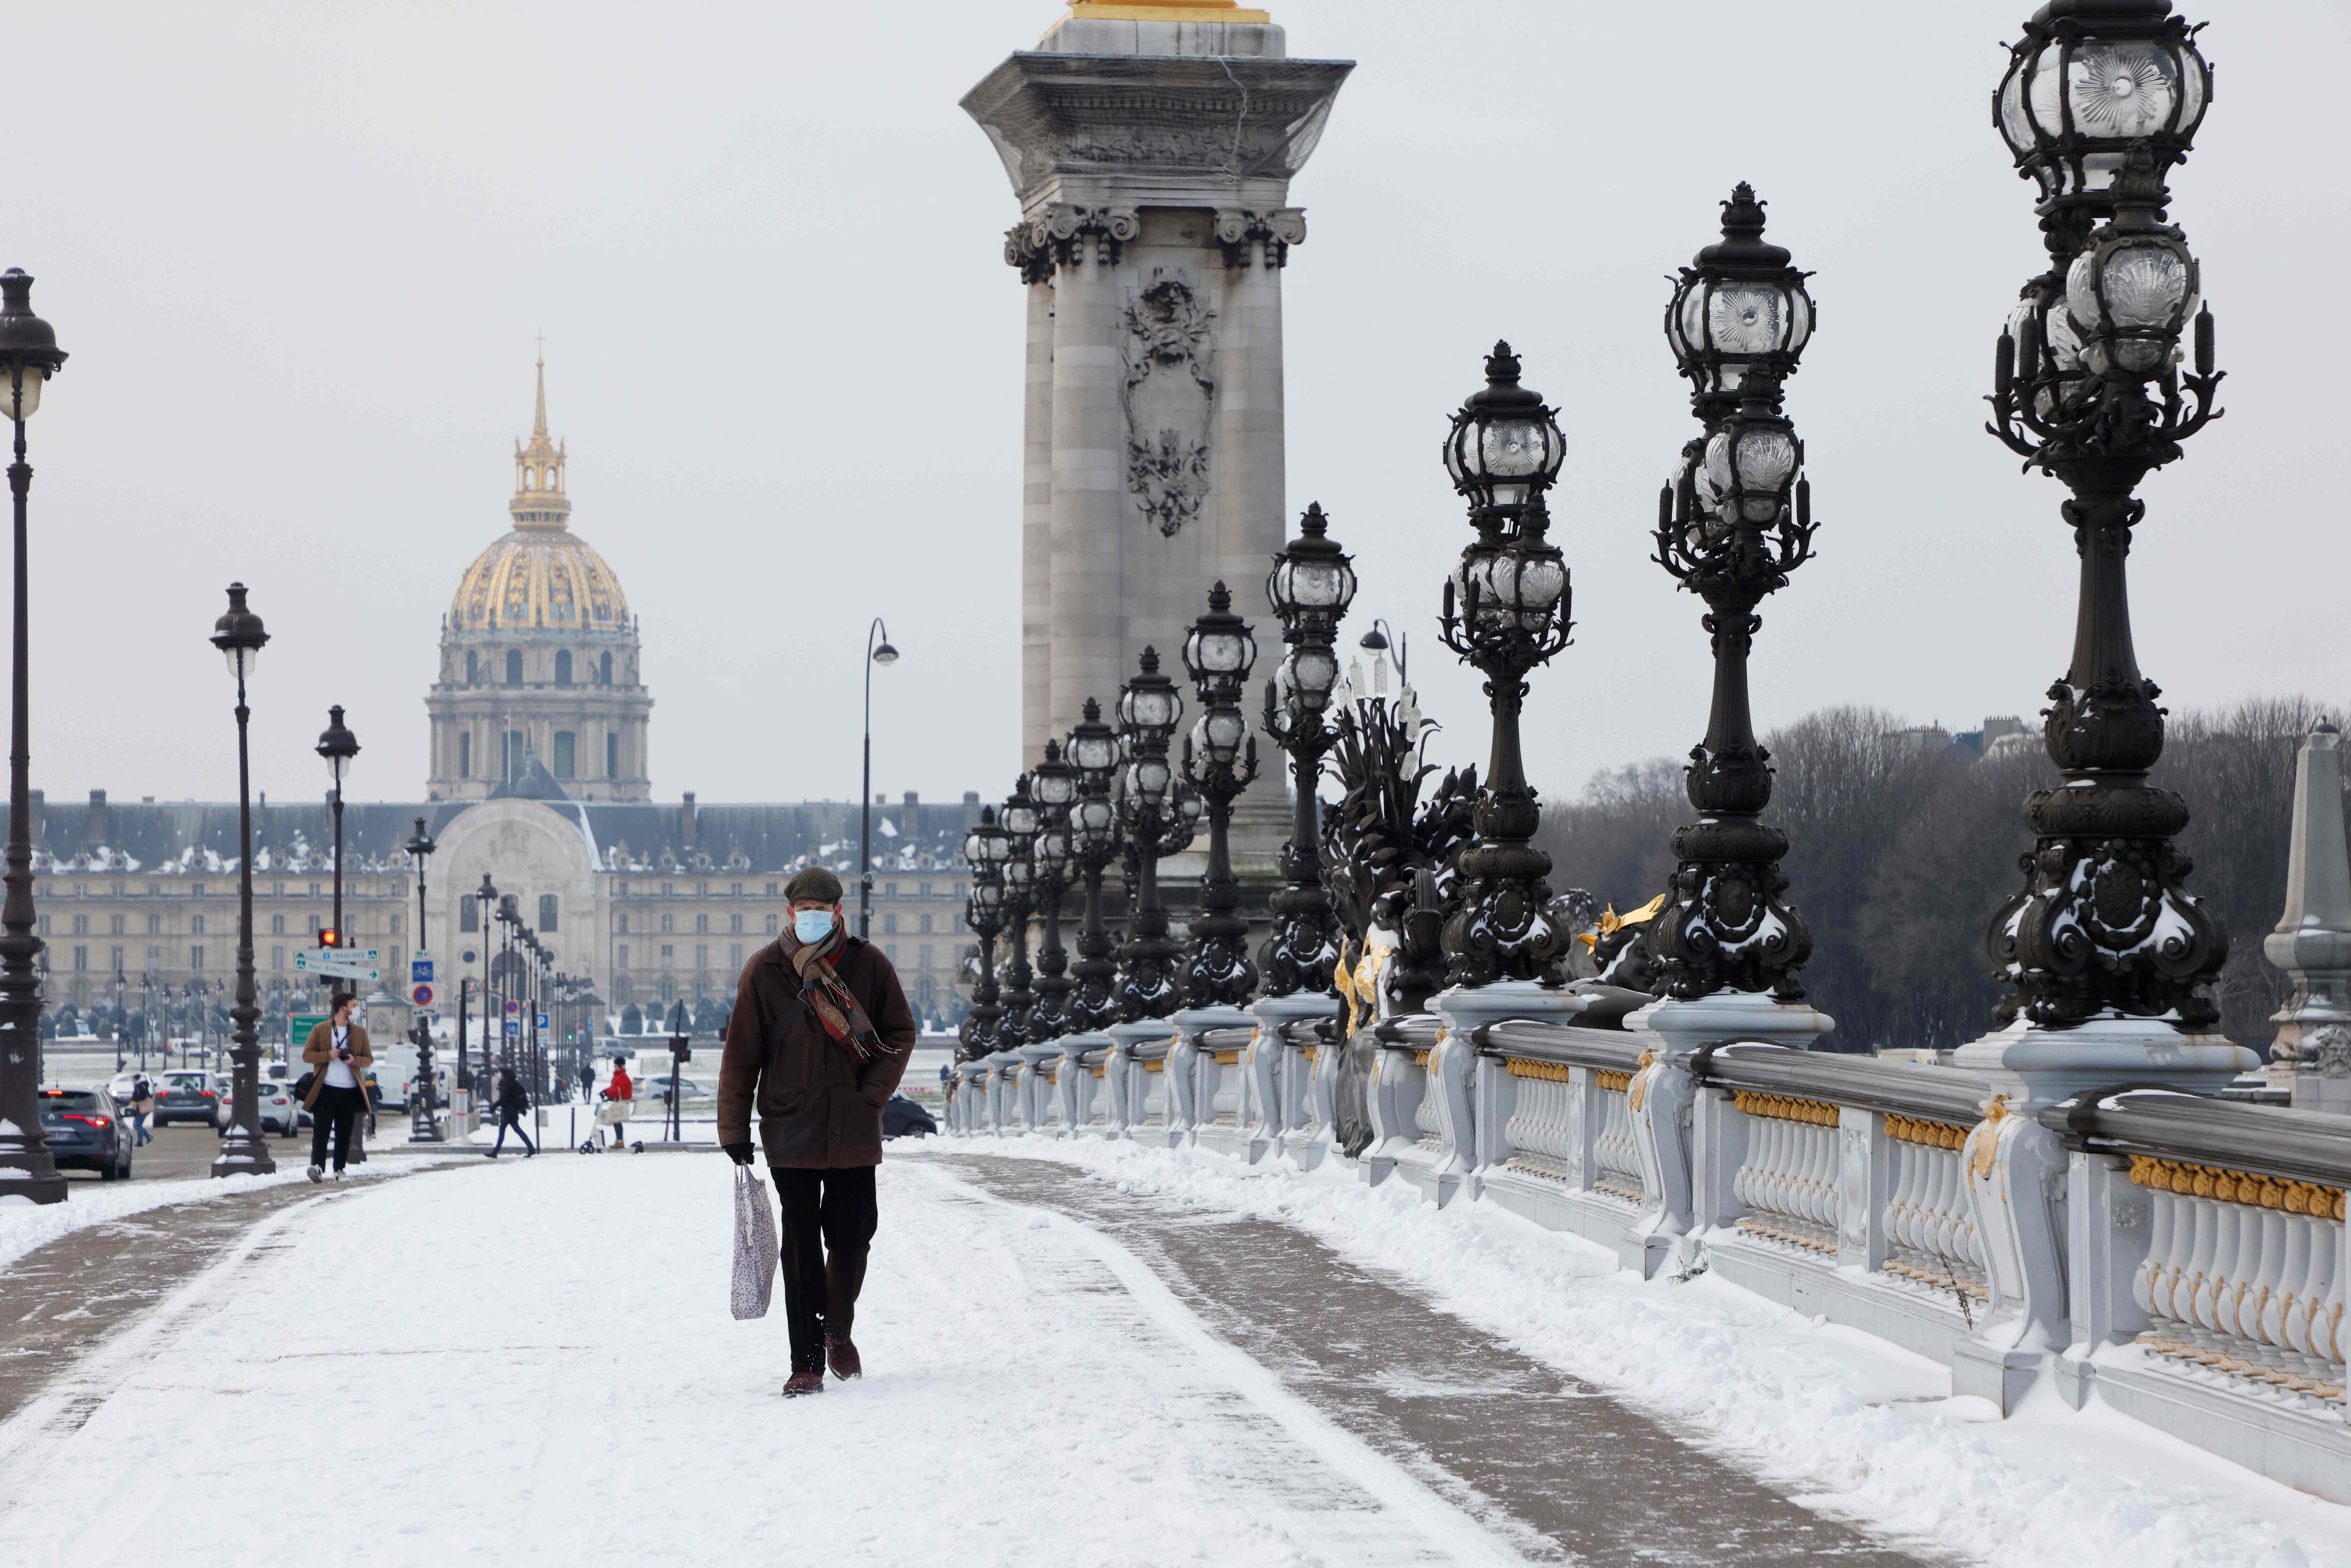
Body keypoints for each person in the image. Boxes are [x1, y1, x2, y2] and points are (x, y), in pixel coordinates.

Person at [718, 867, 916, 1398]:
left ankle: (837, 1328)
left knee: (854, 1235)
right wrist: (734, 1127)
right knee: (802, 1246)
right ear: (790, 913)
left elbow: (900, 1031)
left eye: (819, 909)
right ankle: (805, 1362)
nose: (810, 917)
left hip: (853, 1123)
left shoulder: (869, 964)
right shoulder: (765, 969)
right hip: (791, 1125)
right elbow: (741, 1054)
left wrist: (871, 1094)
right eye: (802, 909)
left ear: (836, 911)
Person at [301, 993, 373, 1182]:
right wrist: (329, 1055)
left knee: (344, 1133)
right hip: (325, 1088)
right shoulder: (320, 1030)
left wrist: (354, 1060)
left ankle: (339, 1169)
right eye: (354, 1006)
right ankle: (317, 1167)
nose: (357, 1010)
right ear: (343, 1009)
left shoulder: (359, 1032)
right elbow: (307, 1055)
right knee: (321, 1130)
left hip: (350, 1090)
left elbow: (369, 1059)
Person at [487, 1068, 536, 1158]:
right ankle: (495, 1152)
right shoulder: (514, 1083)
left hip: (508, 1112)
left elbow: (503, 1098)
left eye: (502, 1074)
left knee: (514, 1131)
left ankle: (531, 1148)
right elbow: (520, 1094)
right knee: (507, 1131)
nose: (501, 1075)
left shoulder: (506, 1083)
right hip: (512, 1111)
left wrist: (494, 1107)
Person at [598, 1056, 635, 1151]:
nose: (614, 1066)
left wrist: (606, 1092)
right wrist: (608, 1095)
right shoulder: (618, 1076)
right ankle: (619, 1141)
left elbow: (618, 1090)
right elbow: (615, 1089)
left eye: (615, 1064)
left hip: (621, 1103)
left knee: (617, 1120)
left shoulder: (622, 1077)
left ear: (618, 1065)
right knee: (616, 1121)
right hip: (618, 1101)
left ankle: (620, 1141)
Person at [129, 1074, 154, 1147]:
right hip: (140, 1109)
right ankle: (149, 1137)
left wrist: (133, 1099)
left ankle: (140, 1142)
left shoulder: (140, 1086)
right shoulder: (141, 1085)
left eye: (133, 1079)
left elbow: (142, 1097)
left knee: (138, 1126)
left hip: (141, 1109)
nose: (132, 1080)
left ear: (136, 1079)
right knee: (136, 1125)